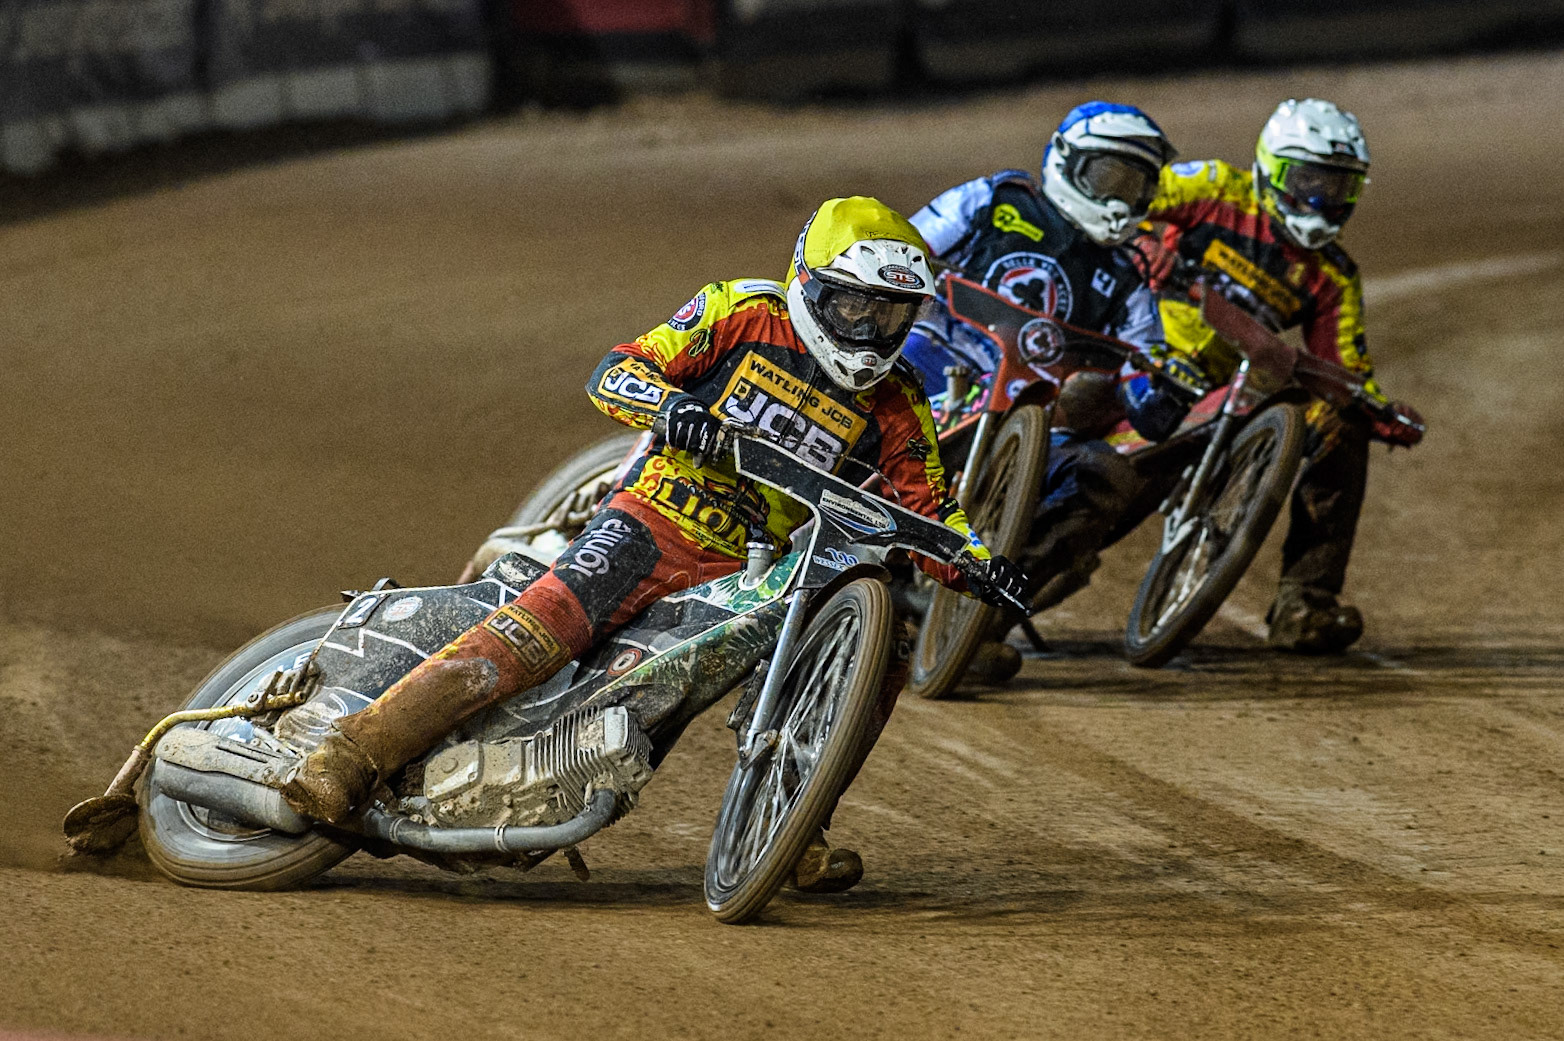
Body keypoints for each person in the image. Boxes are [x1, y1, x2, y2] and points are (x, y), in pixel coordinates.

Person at [279, 196, 1027, 892]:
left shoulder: (898, 400)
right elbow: (619, 369)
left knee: (876, 650)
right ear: (808, 283)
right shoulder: (739, 310)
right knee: (549, 621)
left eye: (890, 314)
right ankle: (353, 753)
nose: (867, 330)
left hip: (748, 569)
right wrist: (671, 407)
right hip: (652, 517)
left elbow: (929, 508)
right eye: (853, 305)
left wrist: (980, 565)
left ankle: (796, 824)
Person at [901, 101, 1191, 677]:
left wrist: (1161, 392)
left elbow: (1144, 368)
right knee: (851, 395)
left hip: (1029, 413)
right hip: (934, 360)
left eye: (1135, 187)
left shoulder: (1129, 277)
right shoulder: (994, 200)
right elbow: (897, 250)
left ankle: (970, 624)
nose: (1119, 201)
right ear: (1066, 162)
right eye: (1109, 178)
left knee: (1104, 477)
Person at [1139, 97, 1423, 653]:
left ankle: (1305, 603)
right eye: (1308, 181)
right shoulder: (1212, 189)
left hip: (1222, 396)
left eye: (1339, 187)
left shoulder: (1333, 277)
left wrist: (1378, 409)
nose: (1322, 200)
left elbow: (1344, 370)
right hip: (1135, 355)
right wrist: (1146, 243)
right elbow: (1120, 203)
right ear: (1271, 169)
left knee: (1339, 422)